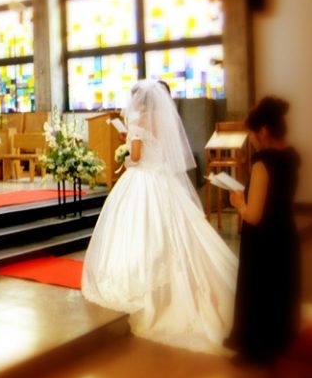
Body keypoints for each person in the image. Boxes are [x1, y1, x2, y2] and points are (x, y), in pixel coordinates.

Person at [82, 79, 238, 355]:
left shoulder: (139, 119)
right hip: (163, 181)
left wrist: (126, 156)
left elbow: (138, 157)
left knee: (138, 232)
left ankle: (148, 289)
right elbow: (159, 151)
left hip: (143, 181)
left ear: (140, 101)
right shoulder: (163, 120)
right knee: (173, 233)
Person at [226, 97, 301, 364]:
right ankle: (279, 342)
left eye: (253, 135)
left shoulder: (263, 162)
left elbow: (254, 215)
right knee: (279, 294)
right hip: (285, 235)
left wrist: (238, 203)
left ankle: (257, 349)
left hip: (264, 242)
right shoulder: (292, 158)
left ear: (264, 131)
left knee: (261, 294)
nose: (253, 141)